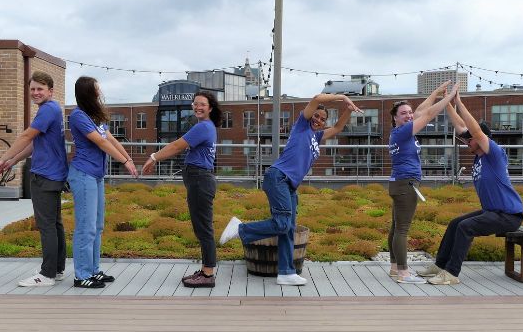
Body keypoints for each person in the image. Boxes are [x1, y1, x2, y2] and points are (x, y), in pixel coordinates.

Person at [219, 93, 362, 286]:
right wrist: (342, 97)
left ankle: (286, 272)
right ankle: (241, 228)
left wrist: (348, 110)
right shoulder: (301, 126)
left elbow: (337, 127)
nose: (318, 120)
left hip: (290, 185)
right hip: (278, 177)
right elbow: (317, 98)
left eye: (322, 119)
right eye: (317, 116)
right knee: (282, 224)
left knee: (288, 229)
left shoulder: (317, 136)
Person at [421, 88, 523, 285]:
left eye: (470, 139)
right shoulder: (478, 156)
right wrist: (448, 101)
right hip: (492, 211)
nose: (466, 141)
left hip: (508, 215)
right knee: (455, 223)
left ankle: (451, 274)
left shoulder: (494, 154)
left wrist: (459, 101)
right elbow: (461, 126)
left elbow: (475, 130)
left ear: (482, 139)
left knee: (466, 227)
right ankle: (440, 265)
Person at [0, 71, 68, 287]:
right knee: (54, 224)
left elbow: (26, 136)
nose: (35, 92)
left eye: (40, 89)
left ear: (50, 91)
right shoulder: (52, 110)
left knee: (47, 226)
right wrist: (13, 160)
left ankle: (47, 275)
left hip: (45, 175)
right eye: (32, 89)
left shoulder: (47, 110)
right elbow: (35, 143)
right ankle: (57, 269)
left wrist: (2, 158)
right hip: (54, 174)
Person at [142, 91, 221, 288]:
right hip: (199, 180)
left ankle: (208, 274)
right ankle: (205, 270)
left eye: (202, 104)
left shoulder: (203, 127)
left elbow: (177, 146)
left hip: (200, 181)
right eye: (195, 104)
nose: (197, 107)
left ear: (210, 108)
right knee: (201, 226)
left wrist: (153, 158)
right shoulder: (205, 126)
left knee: (203, 227)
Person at [68, 76, 138, 288]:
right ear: (89, 92)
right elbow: (99, 141)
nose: (100, 92)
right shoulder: (78, 116)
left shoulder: (95, 116)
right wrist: (124, 161)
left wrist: (129, 159)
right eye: (97, 89)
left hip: (96, 176)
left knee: (97, 226)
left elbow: (111, 139)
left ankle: (94, 270)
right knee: (86, 227)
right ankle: (81, 275)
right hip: (83, 174)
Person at [387, 81, 458, 284]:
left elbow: (420, 111)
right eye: (403, 113)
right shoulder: (402, 132)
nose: (409, 115)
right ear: (395, 117)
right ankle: (403, 273)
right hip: (406, 184)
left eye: (408, 112)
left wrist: (436, 92)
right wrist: (449, 97)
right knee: (402, 230)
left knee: (395, 227)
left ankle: (394, 268)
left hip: (399, 183)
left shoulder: (399, 132)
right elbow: (426, 115)